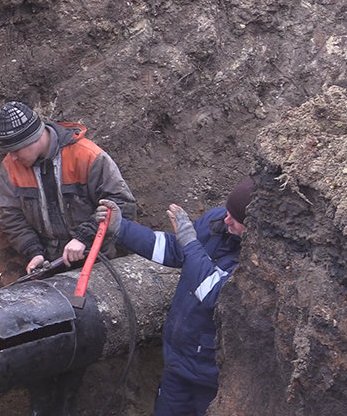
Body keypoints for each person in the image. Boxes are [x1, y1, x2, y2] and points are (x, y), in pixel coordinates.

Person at [95, 176, 254, 415]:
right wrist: (122, 227)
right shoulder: (219, 221)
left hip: (213, 376)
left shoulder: (259, 262)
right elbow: (173, 250)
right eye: (227, 212)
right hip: (178, 362)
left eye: (236, 218)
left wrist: (191, 243)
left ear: (254, 228)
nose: (226, 219)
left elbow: (215, 295)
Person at [0, 101, 137, 274]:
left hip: (98, 260)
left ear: (32, 139)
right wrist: (34, 252)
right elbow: (10, 216)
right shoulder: (11, 167)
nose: (13, 157)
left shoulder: (86, 156)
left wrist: (85, 237)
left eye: (16, 150)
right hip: (52, 265)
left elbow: (121, 204)